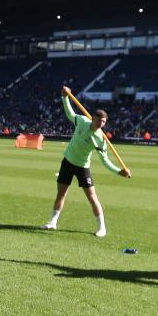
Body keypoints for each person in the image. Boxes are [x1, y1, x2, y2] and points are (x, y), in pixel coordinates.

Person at [40, 94, 131, 236]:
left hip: (82, 167)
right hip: (67, 162)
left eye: (104, 122)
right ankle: (53, 222)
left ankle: (102, 228)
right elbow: (70, 114)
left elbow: (105, 161)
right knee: (61, 194)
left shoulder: (100, 139)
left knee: (92, 197)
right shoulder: (82, 121)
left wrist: (119, 171)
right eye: (100, 121)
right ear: (93, 118)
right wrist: (65, 97)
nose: (101, 124)